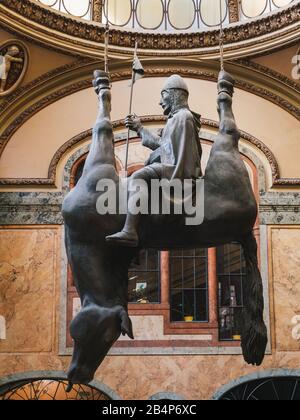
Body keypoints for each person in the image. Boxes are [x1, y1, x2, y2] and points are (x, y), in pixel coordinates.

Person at [106, 75, 202, 247]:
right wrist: (141, 129)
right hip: (173, 165)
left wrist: (140, 128)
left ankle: (130, 231)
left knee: (138, 177)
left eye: (163, 95)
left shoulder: (183, 117)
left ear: (173, 95)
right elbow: (166, 147)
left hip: (178, 171)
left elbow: (167, 149)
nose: (160, 102)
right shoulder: (178, 118)